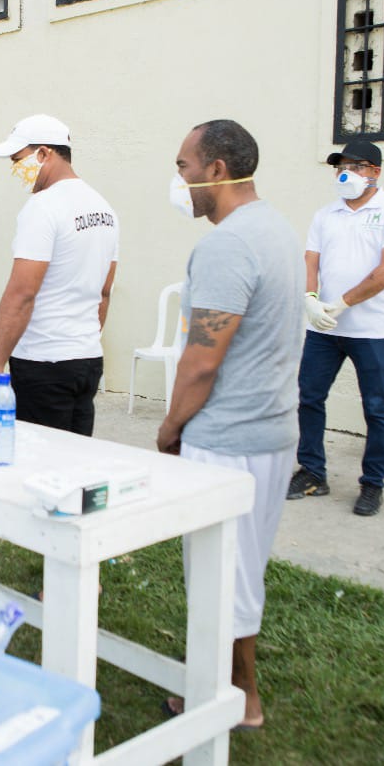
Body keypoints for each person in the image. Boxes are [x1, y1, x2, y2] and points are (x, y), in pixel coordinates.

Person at [155, 120, 303, 729]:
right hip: (271, 430)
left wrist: (170, 427)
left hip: (227, 438)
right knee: (243, 567)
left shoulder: (227, 245)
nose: (179, 179)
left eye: (183, 166)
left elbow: (201, 360)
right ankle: (221, 681)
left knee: (221, 576)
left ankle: (238, 696)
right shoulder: (277, 228)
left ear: (216, 169)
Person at [287, 140, 384, 517]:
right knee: (309, 397)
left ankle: (373, 483)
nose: (346, 174)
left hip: (371, 330)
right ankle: (312, 471)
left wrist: (342, 302)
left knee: (376, 407)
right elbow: (311, 260)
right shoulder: (325, 215)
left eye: (356, 167)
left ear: (375, 172)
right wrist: (310, 298)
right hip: (324, 329)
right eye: (341, 167)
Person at [0, 115, 118, 436]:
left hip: (43, 362)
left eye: (18, 159)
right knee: (74, 455)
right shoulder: (104, 209)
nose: (15, 169)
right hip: (87, 359)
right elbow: (105, 291)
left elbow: (22, 294)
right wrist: (82, 342)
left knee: (39, 457)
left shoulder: (42, 207)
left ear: (43, 153)